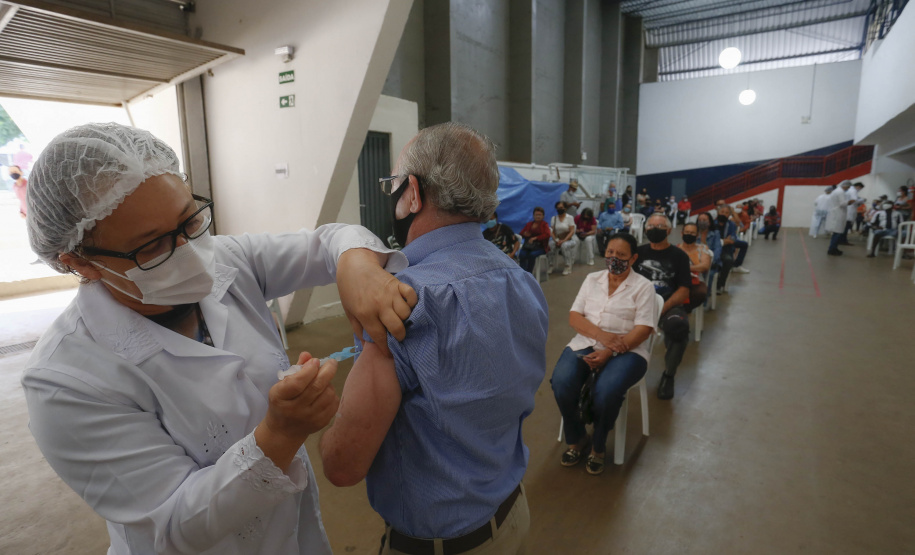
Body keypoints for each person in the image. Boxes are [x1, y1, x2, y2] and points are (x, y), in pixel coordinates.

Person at [20, 123, 418, 555]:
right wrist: (280, 436)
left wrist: (356, 266)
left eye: (191, 220)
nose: (190, 252)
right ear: (81, 263)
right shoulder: (65, 381)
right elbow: (172, 525)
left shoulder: (228, 259)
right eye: (152, 247)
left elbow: (329, 243)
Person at [319, 122, 548, 555]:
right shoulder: (521, 282)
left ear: (413, 194)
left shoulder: (402, 303)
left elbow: (342, 465)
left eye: (394, 185)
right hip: (512, 515)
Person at [551, 232, 658, 475]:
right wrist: (602, 338)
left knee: (607, 392)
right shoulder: (592, 279)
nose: (614, 259)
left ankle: (598, 446)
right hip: (586, 343)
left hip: (629, 350)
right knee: (562, 382)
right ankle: (577, 438)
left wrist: (610, 350)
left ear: (633, 258)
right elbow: (574, 317)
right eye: (610, 253)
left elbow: (643, 329)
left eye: (621, 255)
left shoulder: (643, 287)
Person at [633, 213, 691, 400]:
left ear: (669, 230)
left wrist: (662, 308)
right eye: (650, 226)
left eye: (659, 226)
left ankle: (669, 375)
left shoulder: (679, 256)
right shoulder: (637, 253)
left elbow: (683, 291)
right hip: (636, 306)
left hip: (667, 306)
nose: (654, 230)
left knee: (679, 327)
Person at [677, 222, 711, 310]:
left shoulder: (702, 248)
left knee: (701, 293)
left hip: (697, 281)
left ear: (697, 235)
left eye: (692, 233)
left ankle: (685, 310)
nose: (689, 235)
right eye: (687, 232)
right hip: (678, 280)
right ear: (682, 233)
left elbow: (705, 266)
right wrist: (694, 267)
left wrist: (684, 268)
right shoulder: (676, 249)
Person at [518, 207, 551, 273]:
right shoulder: (529, 224)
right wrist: (525, 234)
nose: (538, 216)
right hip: (528, 246)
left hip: (540, 247)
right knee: (522, 254)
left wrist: (536, 238)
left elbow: (547, 234)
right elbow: (521, 233)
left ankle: (529, 273)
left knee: (532, 255)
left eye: (540, 215)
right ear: (533, 215)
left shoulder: (544, 224)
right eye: (536, 215)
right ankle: (523, 273)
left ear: (543, 216)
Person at [550, 200, 579, 275]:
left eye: (561, 207)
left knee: (564, 246)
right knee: (550, 245)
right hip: (557, 239)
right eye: (558, 207)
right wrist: (556, 240)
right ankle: (551, 265)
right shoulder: (554, 218)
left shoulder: (570, 218)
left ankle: (568, 266)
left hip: (569, 239)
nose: (559, 209)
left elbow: (572, 231)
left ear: (565, 208)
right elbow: (552, 231)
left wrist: (563, 240)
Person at [826, 180, 855, 255]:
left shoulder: (837, 191)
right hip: (838, 214)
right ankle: (832, 249)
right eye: (848, 187)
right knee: (837, 233)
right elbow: (842, 203)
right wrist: (851, 202)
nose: (848, 189)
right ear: (845, 186)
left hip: (836, 213)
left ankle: (833, 248)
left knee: (836, 232)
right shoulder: (840, 192)